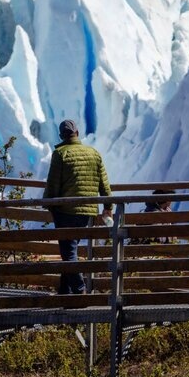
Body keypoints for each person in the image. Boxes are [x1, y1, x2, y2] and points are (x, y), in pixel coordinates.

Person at [43, 119, 112, 294]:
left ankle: (79, 288)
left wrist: (48, 203)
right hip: (87, 211)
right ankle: (64, 293)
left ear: (61, 136)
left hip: (65, 210)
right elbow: (104, 184)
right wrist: (108, 206)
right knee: (69, 250)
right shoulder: (94, 153)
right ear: (78, 133)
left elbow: (53, 184)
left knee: (68, 252)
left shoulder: (60, 154)